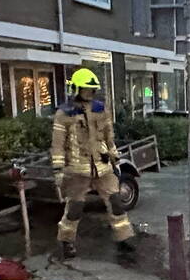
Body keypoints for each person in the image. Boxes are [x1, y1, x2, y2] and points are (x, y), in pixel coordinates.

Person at [51, 68, 134, 259]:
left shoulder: (100, 109)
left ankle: (124, 238)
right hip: (77, 169)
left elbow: (108, 136)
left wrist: (115, 157)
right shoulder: (64, 113)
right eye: (85, 89)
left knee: (116, 202)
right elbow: (57, 144)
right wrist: (58, 169)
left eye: (91, 90)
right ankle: (66, 241)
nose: (89, 93)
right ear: (76, 89)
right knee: (75, 208)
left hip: (102, 166)